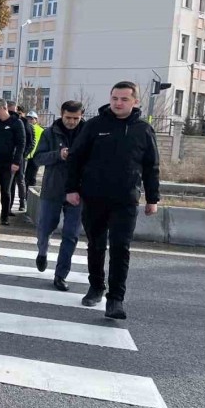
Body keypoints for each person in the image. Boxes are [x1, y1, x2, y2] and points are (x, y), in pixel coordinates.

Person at [64, 81, 161, 319]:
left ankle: (115, 299)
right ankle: (96, 286)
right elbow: (75, 158)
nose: (118, 103)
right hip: (94, 197)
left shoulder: (143, 129)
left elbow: (152, 167)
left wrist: (152, 198)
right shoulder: (95, 126)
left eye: (124, 99)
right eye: (115, 98)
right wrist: (71, 189)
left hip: (125, 200)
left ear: (135, 101)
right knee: (96, 245)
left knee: (120, 248)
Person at [30, 101, 85, 292]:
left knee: (71, 235)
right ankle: (42, 251)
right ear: (61, 114)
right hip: (53, 189)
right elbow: (37, 158)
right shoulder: (49, 133)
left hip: (78, 192)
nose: (71, 122)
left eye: (75, 118)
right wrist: (58, 155)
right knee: (45, 228)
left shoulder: (87, 133)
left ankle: (61, 275)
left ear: (81, 115)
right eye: (68, 117)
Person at [0, 98, 25, 225]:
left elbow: (21, 144)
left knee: (5, 190)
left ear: (2, 108)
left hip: (8, 163)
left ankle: (4, 216)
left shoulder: (16, 123)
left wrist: (16, 162)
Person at [24, 110, 44, 188]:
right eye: (28, 118)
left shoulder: (41, 130)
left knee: (32, 176)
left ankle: (30, 195)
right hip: (27, 155)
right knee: (26, 176)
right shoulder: (25, 127)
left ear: (36, 119)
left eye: (31, 119)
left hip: (35, 155)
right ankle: (26, 194)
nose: (30, 120)